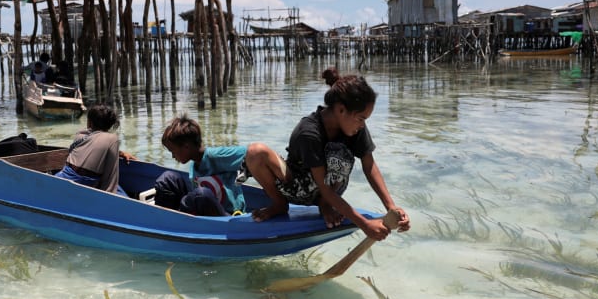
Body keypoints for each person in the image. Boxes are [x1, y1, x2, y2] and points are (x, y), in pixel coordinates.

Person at [244, 67, 410, 241]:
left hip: (332, 188)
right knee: (255, 152)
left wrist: (391, 207)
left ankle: (325, 204)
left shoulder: (355, 126)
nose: (362, 125)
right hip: (298, 187)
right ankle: (279, 204)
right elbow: (322, 185)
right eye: (361, 119)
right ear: (340, 110)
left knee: (339, 155)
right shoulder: (309, 132)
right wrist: (364, 224)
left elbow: (369, 167)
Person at [155, 114, 250, 217]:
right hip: (205, 213)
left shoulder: (215, 156)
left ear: (186, 147)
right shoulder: (193, 165)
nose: (173, 156)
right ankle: (164, 218)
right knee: (168, 178)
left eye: (173, 151)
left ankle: (179, 218)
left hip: (227, 217)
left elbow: (252, 156)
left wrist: (240, 179)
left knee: (201, 194)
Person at [54, 103, 135, 193]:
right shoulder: (112, 139)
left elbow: (95, 144)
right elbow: (111, 175)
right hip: (85, 183)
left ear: (90, 122)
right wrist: (109, 195)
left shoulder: (80, 134)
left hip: (62, 176)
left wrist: (120, 153)